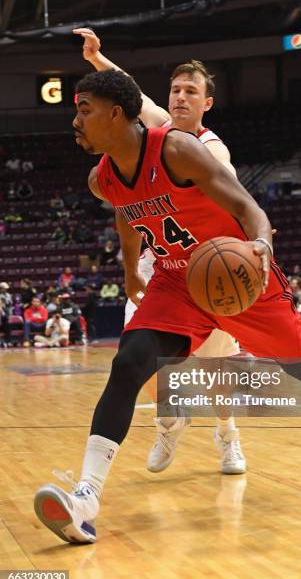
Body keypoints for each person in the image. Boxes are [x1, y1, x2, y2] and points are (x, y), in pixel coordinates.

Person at [34, 70, 301, 545]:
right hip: (176, 283)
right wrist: (129, 269)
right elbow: (126, 207)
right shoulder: (102, 178)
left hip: (239, 278)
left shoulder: (176, 149)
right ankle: (85, 499)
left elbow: (249, 208)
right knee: (129, 363)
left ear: (117, 113)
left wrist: (262, 247)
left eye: (84, 110)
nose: (75, 121)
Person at [74, 27, 247, 473]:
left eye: (192, 91)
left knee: (217, 371)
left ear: (207, 103)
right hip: (158, 270)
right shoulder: (158, 130)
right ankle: (170, 421)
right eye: (175, 90)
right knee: (137, 362)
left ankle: (227, 435)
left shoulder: (212, 150)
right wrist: (98, 59)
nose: (180, 97)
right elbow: (131, 91)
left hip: (207, 272)